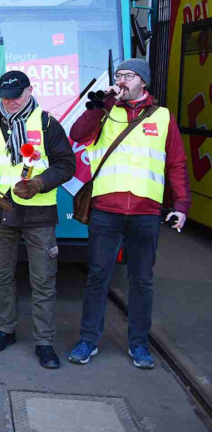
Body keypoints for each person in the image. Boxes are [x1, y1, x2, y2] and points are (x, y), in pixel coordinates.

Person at [67, 59, 191, 369]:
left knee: (142, 281)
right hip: (106, 211)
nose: (122, 80)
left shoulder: (163, 117)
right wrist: (100, 104)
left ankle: (139, 344)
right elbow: (78, 133)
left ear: (143, 83)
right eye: (119, 75)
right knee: (97, 277)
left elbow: (175, 163)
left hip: (146, 213)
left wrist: (181, 206)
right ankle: (88, 341)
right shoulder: (106, 111)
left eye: (129, 76)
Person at [0, 71, 75, 369]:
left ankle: (45, 342)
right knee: (1, 275)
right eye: (6, 97)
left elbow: (66, 164)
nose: (10, 102)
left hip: (39, 215)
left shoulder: (48, 122)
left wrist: (39, 184)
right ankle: (6, 329)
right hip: (1, 212)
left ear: (30, 91)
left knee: (43, 279)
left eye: (17, 96)